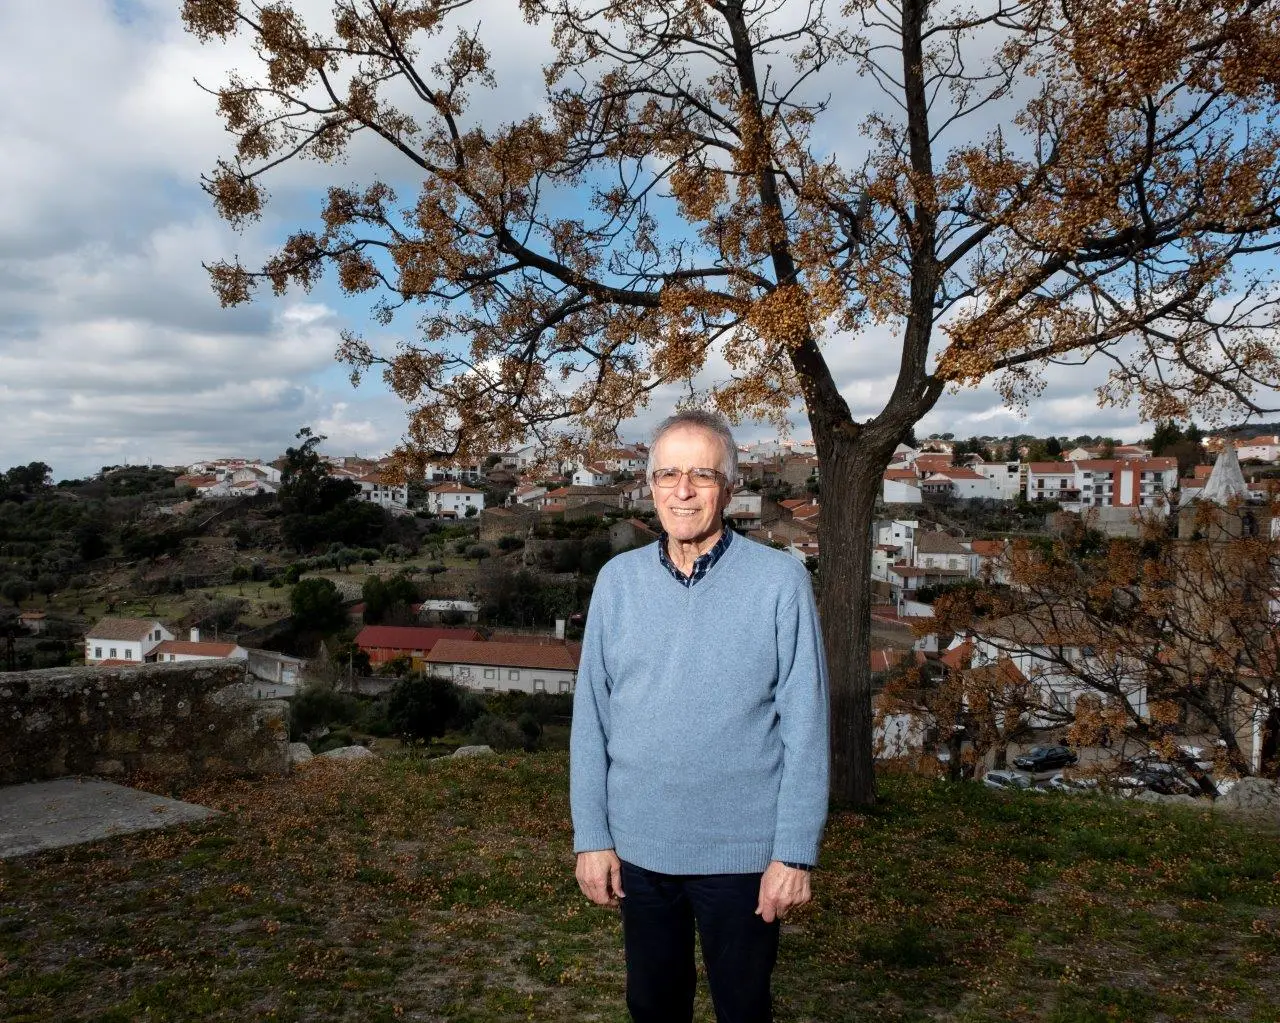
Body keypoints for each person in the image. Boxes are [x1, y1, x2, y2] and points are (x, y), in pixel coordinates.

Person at [570, 410, 830, 1023]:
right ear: (651, 485)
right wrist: (593, 837)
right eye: (668, 474)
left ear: (730, 487)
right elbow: (592, 719)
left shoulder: (780, 582)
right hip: (639, 849)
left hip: (742, 855)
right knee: (653, 1009)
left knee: (743, 1009)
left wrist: (794, 853)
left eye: (701, 474)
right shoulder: (616, 583)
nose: (682, 490)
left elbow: (808, 728)